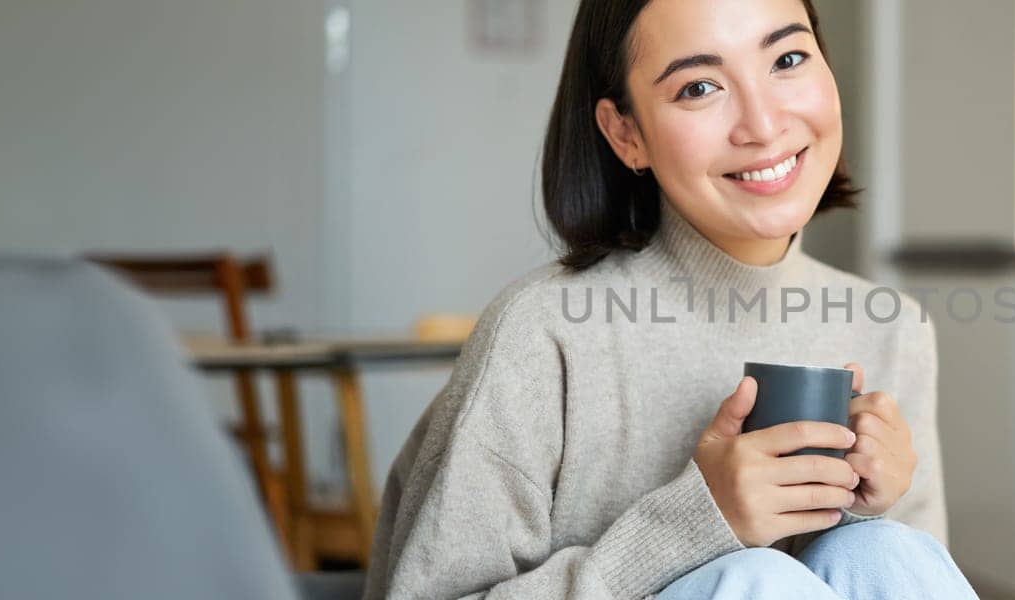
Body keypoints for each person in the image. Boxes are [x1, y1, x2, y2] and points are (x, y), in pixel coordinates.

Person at [363, 0, 977, 598]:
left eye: (787, 59)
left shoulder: (892, 328)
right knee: (760, 580)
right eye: (699, 88)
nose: (763, 125)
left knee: (886, 550)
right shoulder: (543, 335)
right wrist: (696, 522)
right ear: (625, 133)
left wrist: (866, 509)